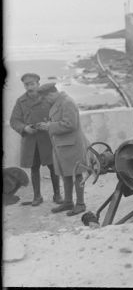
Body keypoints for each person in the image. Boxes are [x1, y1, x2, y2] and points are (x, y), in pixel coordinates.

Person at [35, 83, 89, 216]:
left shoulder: (67, 102)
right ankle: (68, 202)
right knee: (66, 174)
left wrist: (49, 126)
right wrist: (48, 125)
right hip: (62, 146)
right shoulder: (59, 102)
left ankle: (80, 204)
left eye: (46, 98)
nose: (46, 101)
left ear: (52, 93)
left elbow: (70, 124)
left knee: (77, 174)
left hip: (72, 145)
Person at [9, 73, 61, 206]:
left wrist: (49, 125)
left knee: (53, 167)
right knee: (34, 169)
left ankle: (57, 195)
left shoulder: (47, 97)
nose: (29, 87)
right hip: (30, 141)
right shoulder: (21, 101)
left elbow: (58, 114)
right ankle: (37, 197)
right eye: (26, 84)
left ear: (38, 84)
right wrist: (25, 128)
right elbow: (14, 120)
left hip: (47, 139)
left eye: (32, 84)